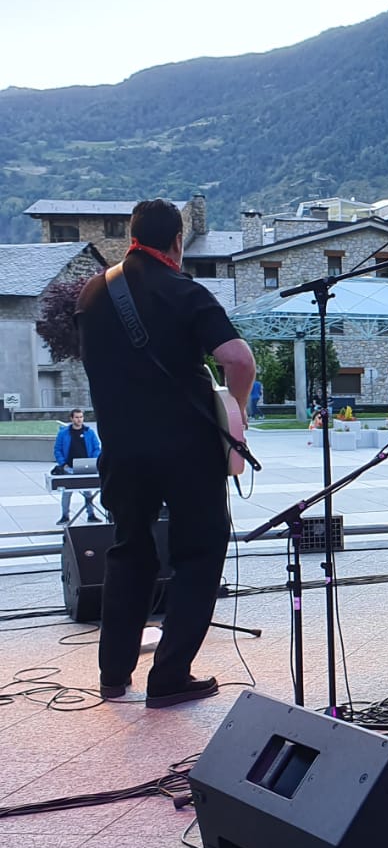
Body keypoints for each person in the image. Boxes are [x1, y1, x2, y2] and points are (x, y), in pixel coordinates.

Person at [76, 199, 255, 707]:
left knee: (128, 549)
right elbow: (238, 359)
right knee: (199, 552)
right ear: (178, 241)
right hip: (186, 449)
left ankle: (114, 675)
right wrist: (236, 413)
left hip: (122, 448)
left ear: (131, 236)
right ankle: (170, 675)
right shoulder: (184, 290)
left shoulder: (94, 291)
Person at [53, 408, 103, 525]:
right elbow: (57, 450)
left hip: (86, 466)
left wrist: (92, 461)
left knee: (88, 492)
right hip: (69, 468)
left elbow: (96, 448)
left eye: (81, 417)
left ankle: (91, 514)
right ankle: (65, 516)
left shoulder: (89, 432)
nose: (79, 420)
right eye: (76, 417)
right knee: (67, 493)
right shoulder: (63, 433)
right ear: (71, 418)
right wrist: (63, 464)